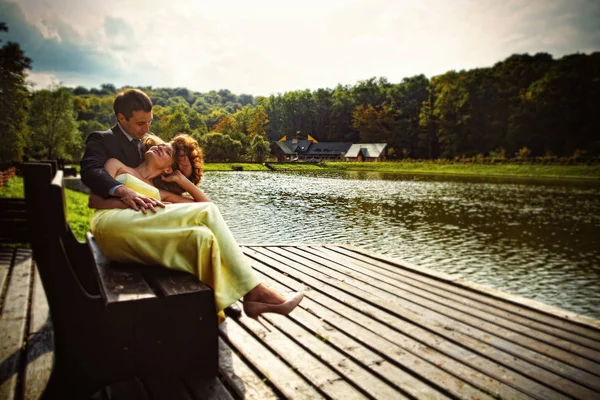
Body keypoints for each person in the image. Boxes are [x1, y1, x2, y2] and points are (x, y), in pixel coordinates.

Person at [88, 135, 303, 326]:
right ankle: (255, 291)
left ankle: (214, 309)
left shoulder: (161, 194)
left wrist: (182, 181)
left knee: (203, 236)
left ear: (168, 169)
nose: (161, 147)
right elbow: (94, 199)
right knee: (206, 213)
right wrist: (133, 200)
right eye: (162, 146)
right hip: (109, 224)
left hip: (130, 234)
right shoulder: (117, 165)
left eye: (168, 151)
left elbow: (206, 205)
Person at [80, 88, 163, 213]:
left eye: (149, 121)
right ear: (121, 118)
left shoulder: (150, 144)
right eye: (140, 123)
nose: (146, 129)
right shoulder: (101, 139)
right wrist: (124, 191)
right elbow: (91, 171)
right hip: (117, 213)